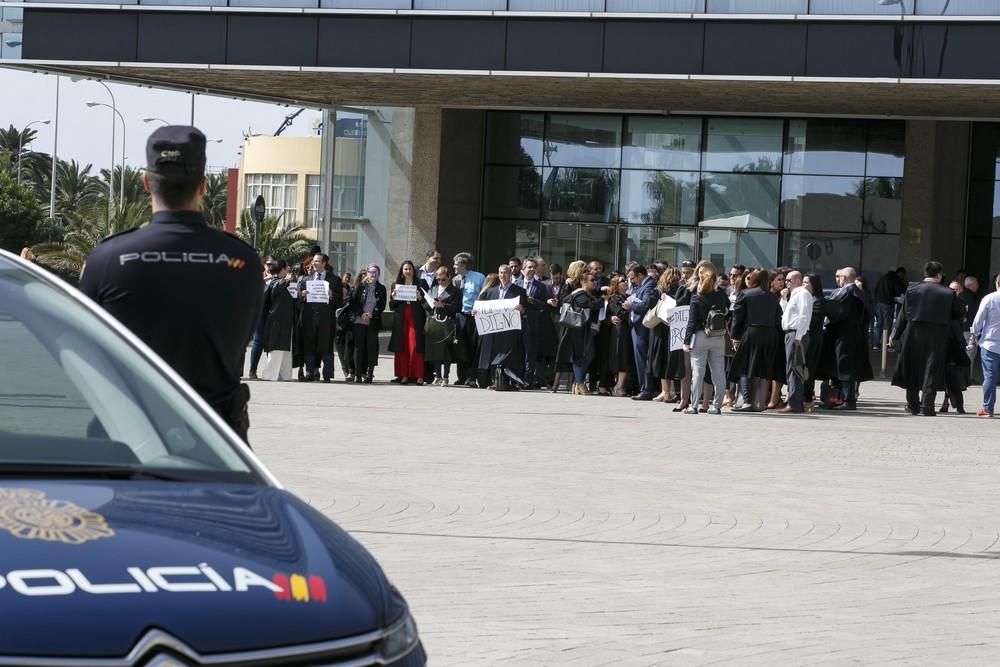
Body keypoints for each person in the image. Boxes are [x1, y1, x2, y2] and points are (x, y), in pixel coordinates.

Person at [79, 125, 262, 442]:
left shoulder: (107, 259)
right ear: (204, 185)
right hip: (218, 445)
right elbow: (244, 335)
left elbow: (84, 351)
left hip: (126, 444)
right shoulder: (242, 262)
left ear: (147, 182)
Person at [890, 261, 967, 416]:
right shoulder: (948, 293)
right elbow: (959, 314)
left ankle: (913, 404)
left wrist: (894, 335)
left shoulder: (911, 289)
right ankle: (927, 406)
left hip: (913, 335)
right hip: (938, 337)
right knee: (931, 370)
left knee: (912, 368)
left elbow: (903, 316)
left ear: (925, 274)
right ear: (939, 275)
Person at [817, 267, 873, 410]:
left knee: (844, 367)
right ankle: (840, 398)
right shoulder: (860, 293)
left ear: (845, 278)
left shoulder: (848, 293)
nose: (838, 279)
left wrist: (825, 308)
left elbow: (838, 312)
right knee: (841, 367)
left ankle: (848, 400)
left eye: (840, 276)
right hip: (852, 334)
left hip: (844, 336)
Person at [730, 269, 783, 412]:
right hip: (770, 334)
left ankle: (747, 401)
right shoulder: (771, 297)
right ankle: (759, 402)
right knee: (763, 368)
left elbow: (737, 318)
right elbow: (778, 316)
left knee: (744, 366)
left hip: (751, 332)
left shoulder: (745, 294)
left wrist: (735, 337)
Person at [683, 262, 729, 415]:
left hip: (700, 335)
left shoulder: (697, 297)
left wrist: (686, 341)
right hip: (718, 336)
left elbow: (691, 321)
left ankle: (694, 405)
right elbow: (728, 310)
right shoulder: (721, 295)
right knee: (719, 372)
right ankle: (716, 406)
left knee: (698, 372)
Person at [475, 264, 526, 389]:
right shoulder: (491, 292)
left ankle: (512, 381)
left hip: (510, 330)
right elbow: (483, 308)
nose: (503, 275)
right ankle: (495, 380)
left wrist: (521, 308)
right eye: (501, 273)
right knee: (493, 354)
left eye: (506, 273)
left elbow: (525, 310)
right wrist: (476, 311)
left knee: (510, 355)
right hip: (494, 330)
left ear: (510, 274)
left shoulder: (519, 292)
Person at [555, 263, 602, 395]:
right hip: (576, 328)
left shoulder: (586, 289)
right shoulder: (576, 290)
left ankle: (577, 382)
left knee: (587, 355)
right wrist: (602, 300)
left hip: (584, 328)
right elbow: (584, 303)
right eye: (592, 280)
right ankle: (579, 383)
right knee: (581, 356)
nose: (595, 282)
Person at [298, 253, 344, 383]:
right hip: (310, 316)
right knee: (309, 344)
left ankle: (327, 374)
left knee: (326, 345)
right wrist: (302, 294)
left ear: (324, 263)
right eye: (313, 261)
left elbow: (340, 300)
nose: (314, 263)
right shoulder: (306, 279)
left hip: (326, 318)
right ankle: (309, 372)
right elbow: (299, 299)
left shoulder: (334, 280)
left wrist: (332, 295)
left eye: (317, 261)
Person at [777, 270, 814, 414]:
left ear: (798, 280)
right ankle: (793, 400)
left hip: (797, 334)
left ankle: (795, 403)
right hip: (790, 333)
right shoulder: (794, 295)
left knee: (795, 369)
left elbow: (804, 316)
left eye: (788, 280)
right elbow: (786, 314)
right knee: (790, 368)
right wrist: (784, 299)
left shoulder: (803, 294)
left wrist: (799, 336)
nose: (786, 283)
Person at [622, 263, 659, 401]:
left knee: (643, 358)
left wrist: (631, 305)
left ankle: (646, 389)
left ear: (640, 275)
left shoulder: (648, 285)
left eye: (633, 277)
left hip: (642, 327)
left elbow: (645, 305)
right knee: (640, 359)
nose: (631, 281)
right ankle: (644, 387)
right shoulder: (641, 286)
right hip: (636, 325)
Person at [388, 260, 426, 385]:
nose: (408, 271)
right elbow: (392, 306)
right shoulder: (396, 284)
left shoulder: (421, 283)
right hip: (401, 317)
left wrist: (420, 298)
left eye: (410, 269)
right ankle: (403, 375)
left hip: (416, 317)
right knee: (402, 345)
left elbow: (427, 303)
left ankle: (419, 375)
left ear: (414, 271)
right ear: (402, 272)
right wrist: (393, 297)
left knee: (415, 345)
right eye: (405, 269)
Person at [258, 260, 296, 381]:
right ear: (283, 269)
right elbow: (275, 289)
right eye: (287, 267)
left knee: (285, 351)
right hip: (276, 321)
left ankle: (285, 375)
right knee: (277, 349)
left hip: (286, 320)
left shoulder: (286, 283)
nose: (288, 269)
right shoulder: (274, 282)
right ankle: (269, 375)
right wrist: (286, 280)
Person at [423, 266, 462, 385]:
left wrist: (443, 305)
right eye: (438, 279)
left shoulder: (455, 291)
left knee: (446, 351)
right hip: (433, 322)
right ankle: (437, 375)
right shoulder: (433, 289)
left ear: (449, 277)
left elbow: (457, 307)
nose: (440, 282)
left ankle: (446, 376)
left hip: (446, 323)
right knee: (435, 350)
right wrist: (424, 301)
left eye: (443, 279)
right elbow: (426, 305)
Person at [348, 263, 386, 383]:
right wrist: (362, 313)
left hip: (372, 321)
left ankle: (370, 373)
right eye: (371, 272)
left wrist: (372, 314)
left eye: (375, 272)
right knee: (359, 348)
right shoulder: (360, 286)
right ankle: (358, 374)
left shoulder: (381, 288)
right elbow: (353, 302)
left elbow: (381, 306)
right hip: (360, 320)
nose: (373, 275)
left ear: (378, 275)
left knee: (371, 348)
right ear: (367, 273)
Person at [518, 257, 552, 388]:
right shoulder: (516, 284)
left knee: (530, 353)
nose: (532, 269)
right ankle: (517, 378)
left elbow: (544, 305)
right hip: (516, 323)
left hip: (532, 324)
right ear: (523, 269)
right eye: (529, 267)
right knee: (518, 351)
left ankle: (527, 380)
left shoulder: (542, 287)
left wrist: (533, 301)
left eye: (534, 267)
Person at [452, 252, 486, 388]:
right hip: (460, 315)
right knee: (460, 346)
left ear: (463, 265)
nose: (454, 266)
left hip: (474, 315)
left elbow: (484, 295)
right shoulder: (455, 279)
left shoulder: (479, 278)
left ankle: (472, 377)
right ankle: (461, 376)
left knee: (472, 346)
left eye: (456, 264)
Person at [649, 267, 680, 403]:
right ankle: (669, 391)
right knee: (669, 360)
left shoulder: (657, 291)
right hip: (674, 328)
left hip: (660, 328)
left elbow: (649, 305)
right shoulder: (680, 291)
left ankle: (666, 392)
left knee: (661, 360)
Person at [971, 273, 1000, 417]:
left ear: (997, 283)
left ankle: (988, 409)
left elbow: (979, 319)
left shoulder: (989, 298)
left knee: (990, 376)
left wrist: (974, 334)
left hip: (991, 344)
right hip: (991, 343)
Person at [606, 275, 635, 397]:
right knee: (621, 357)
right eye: (622, 281)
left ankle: (620, 385)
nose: (625, 283)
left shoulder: (629, 297)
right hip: (620, 331)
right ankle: (618, 386)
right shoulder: (615, 298)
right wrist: (630, 310)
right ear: (616, 285)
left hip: (628, 330)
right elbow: (620, 313)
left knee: (625, 357)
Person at [247, 256, 275, 380]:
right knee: (258, 342)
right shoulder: (259, 278)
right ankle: (253, 369)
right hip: (260, 315)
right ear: (264, 265)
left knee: (273, 343)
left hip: (274, 315)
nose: (270, 267)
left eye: (273, 265)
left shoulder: (278, 279)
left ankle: (271, 372)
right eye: (268, 264)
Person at [802, 274, 826, 410]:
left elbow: (812, 321)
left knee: (808, 369)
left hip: (813, 339)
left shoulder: (818, 300)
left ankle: (807, 398)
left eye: (806, 282)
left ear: (814, 285)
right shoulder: (808, 298)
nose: (803, 285)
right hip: (808, 337)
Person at [335, 271, 356, 381]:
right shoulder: (336, 291)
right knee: (339, 348)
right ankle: (345, 370)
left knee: (348, 346)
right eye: (346, 277)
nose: (347, 279)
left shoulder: (351, 290)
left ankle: (350, 371)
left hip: (347, 322)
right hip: (337, 323)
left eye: (349, 277)